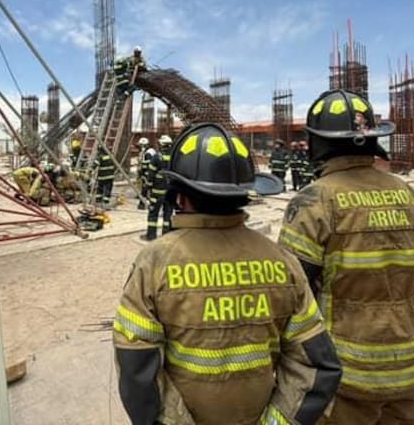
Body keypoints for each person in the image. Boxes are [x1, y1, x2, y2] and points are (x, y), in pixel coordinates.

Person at [113, 122, 342, 425]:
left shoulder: (154, 263)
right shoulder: (283, 262)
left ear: (181, 197)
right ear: (246, 194)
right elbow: (316, 365)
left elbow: (136, 366)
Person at [278, 89, 414, 424]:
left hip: (344, 372)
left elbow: (292, 292)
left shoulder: (314, 200)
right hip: (408, 364)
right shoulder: (409, 195)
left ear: (319, 142)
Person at [142, 134, 173, 241]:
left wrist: (147, 188)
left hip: (157, 192)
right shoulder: (175, 157)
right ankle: (167, 235)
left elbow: (150, 175)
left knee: (153, 214)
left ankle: (151, 236)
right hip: (170, 193)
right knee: (167, 215)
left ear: (161, 145)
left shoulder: (156, 157)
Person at [136, 137, 154, 210]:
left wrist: (142, 172)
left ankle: (142, 204)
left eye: (140, 146)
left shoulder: (148, 153)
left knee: (144, 190)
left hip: (147, 174)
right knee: (149, 190)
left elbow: (146, 165)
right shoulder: (151, 151)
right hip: (150, 173)